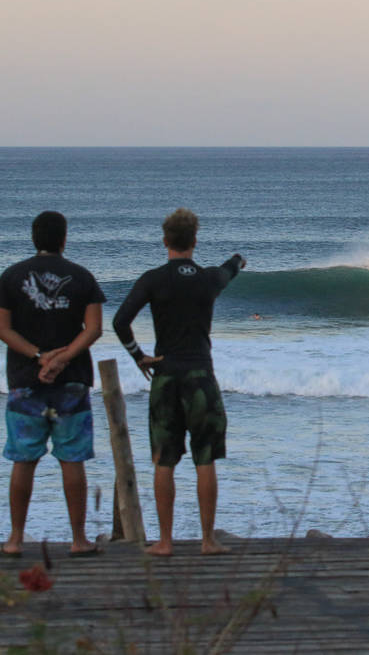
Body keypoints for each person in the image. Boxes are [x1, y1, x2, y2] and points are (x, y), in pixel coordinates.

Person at [112, 208, 245, 556]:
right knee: (205, 459)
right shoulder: (208, 278)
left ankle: (165, 542)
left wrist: (138, 356)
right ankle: (207, 540)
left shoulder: (153, 279)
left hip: (166, 376)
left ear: (165, 241)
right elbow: (229, 270)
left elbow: (120, 321)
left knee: (165, 460)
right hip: (201, 376)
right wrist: (238, 259)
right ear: (194, 241)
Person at [0, 211, 105, 557]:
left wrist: (40, 356)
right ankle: (79, 539)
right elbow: (95, 329)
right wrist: (62, 358)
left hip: (25, 382)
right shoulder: (82, 277)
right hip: (71, 382)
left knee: (24, 460)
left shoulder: (11, 277)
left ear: (34, 238)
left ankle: (14, 538)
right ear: (63, 239)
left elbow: (3, 329)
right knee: (72, 460)